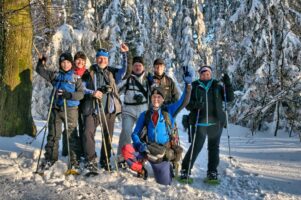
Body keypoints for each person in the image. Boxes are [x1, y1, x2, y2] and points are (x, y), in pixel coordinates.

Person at [122, 66, 193, 185]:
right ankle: (140, 168)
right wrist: (140, 145)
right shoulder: (145, 114)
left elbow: (183, 101)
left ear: (162, 99)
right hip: (147, 149)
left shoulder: (168, 112)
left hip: (162, 152)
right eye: (154, 96)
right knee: (127, 149)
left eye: (159, 97)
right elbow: (135, 134)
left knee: (165, 182)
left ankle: (169, 166)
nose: (156, 99)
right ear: (151, 98)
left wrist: (188, 86)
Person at [180, 66, 234, 182]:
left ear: (211, 74)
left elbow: (229, 98)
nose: (205, 75)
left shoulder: (217, 85)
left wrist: (228, 84)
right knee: (196, 146)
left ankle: (212, 172)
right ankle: (185, 170)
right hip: (199, 122)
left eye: (208, 73)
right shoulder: (194, 86)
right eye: (203, 74)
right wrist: (196, 105)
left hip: (216, 122)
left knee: (214, 148)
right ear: (200, 75)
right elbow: (187, 104)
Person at [80, 45, 127, 172]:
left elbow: (124, 71)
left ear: (108, 60)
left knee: (108, 136)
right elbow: (82, 88)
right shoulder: (89, 72)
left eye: (105, 59)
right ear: (96, 59)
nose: (102, 61)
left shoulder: (112, 72)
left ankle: (105, 160)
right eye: (100, 58)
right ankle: (91, 160)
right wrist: (93, 92)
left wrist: (124, 55)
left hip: (108, 110)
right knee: (87, 133)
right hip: (93, 109)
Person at [36, 52, 84, 171]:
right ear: (60, 64)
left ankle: (74, 161)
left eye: (68, 62)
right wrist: (41, 62)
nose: (65, 65)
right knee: (53, 135)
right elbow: (40, 71)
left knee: (72, 135)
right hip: (56, 108)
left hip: (70, 109)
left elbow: (81, 94)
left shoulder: (75, 77)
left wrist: (70, 95)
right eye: (63, 62)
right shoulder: (55, 75)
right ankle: (50, 159)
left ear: (71, 63)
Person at [117, 55, 151, 167]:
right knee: (126, 132)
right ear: (132, 68)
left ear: (143, 67)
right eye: (135, 65)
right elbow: (115, 91)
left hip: (143, 112)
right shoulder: (127, 81)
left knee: (142, 136)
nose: (137, 67)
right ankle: (122, 157)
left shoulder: (148, 81)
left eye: (139, 65)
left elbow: (157, 95)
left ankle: (140, 158)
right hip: (128, 111)